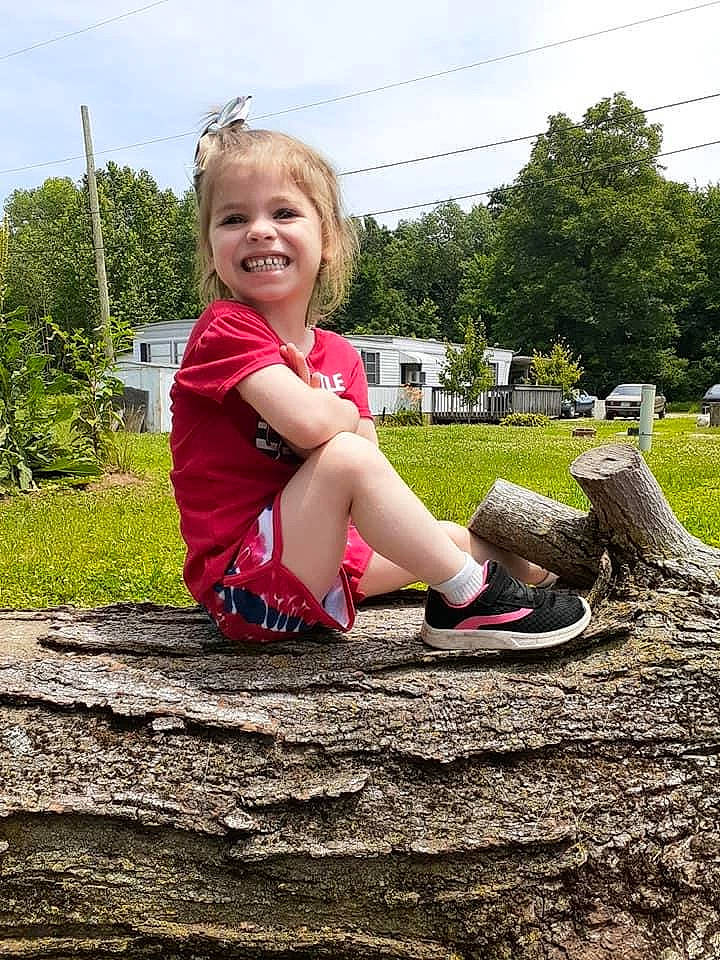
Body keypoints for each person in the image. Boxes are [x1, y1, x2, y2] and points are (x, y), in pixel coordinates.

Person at [169, 96, 591, 650]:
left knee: (448, 536)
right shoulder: (226, 329)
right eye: (233, 219)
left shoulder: (339, 354)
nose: (259, 231)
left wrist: (331, 419)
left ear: (327, 240)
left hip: (324, 561)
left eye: (284, 213)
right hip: (246, 585)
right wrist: (336, 413)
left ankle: (556, 581)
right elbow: (318, 431)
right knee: (344, 456)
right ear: (211, 249)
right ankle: (469, 603)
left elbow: (367, 461)